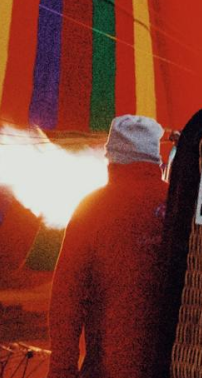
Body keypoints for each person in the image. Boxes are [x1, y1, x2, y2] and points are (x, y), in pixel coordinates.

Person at [50, 115, 168, 378]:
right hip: (172, 363)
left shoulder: (93, 208)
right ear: (156, 158)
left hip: (110, 366)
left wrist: (62, 369)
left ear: (112, 158)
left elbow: (66, 298)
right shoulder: (179, 204)